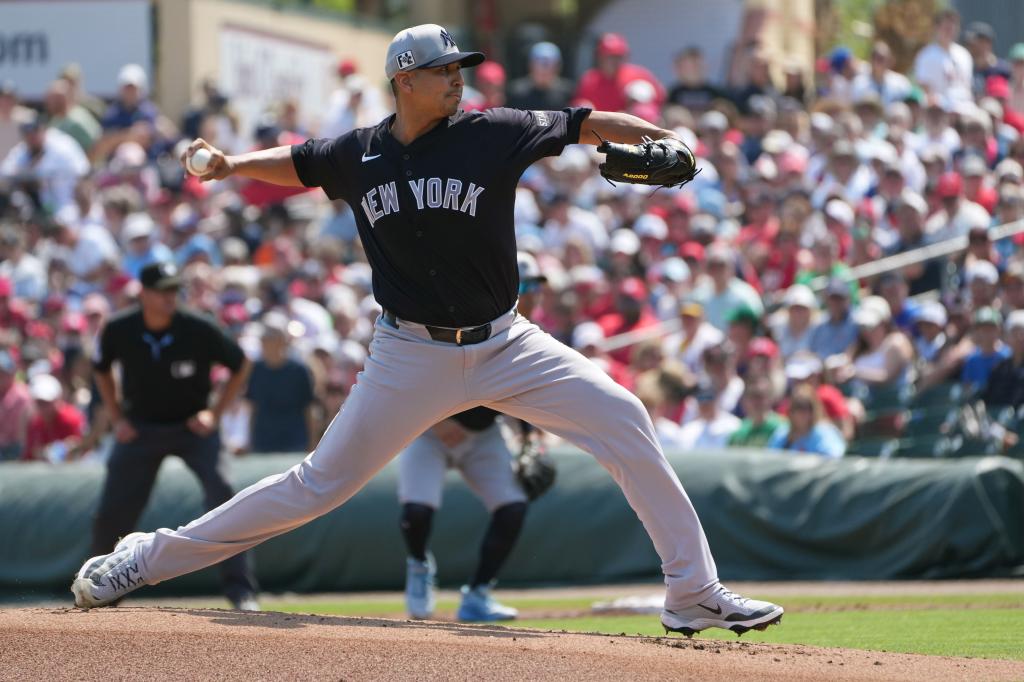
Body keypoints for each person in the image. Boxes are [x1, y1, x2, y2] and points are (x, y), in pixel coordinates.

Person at [72, 23, 783, 637]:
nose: (457, 81)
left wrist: (666, 137)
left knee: (624, 415)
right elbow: (299, 162)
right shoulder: (360, 152)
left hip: (507, 343)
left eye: (458, 70)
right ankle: (146, 560)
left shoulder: (492, 133)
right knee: (317, 484)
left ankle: (691, 593)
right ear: (404, 81)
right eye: (444, 71)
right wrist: (232, 166)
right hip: (409, 351)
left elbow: (589, 122)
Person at [85, 261, 260, 610]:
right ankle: (97, 588)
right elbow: (101, 369)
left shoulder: (198, 327)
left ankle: (241, 591)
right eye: (162, 291)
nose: (169, 297)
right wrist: (116, 417)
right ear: (144, 294)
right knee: (112, 510)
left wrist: (215, 412)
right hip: (141, 427)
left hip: (191, 426)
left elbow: (241, 364)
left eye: (173, 290)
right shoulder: (120, 328)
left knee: (223, 491)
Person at [244, 312, 316, 454]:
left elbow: (309, 409)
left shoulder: (299, 370)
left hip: (294, 443)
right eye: (263, 338)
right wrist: (249, 441)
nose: (264, 342)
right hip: (263, 444)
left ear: (282, 341)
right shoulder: (255, 370)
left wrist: (312, 444)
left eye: (269, 338)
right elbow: (252, 408)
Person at [572, 33, 665, 113]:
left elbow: (660, 101)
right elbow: (578, 105)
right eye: (610, 56)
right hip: (598, 130)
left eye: (619, 56)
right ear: (600, 58)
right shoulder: (589, 80)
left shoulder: (639, 76)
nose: (615, 61)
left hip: (631, 130)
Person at [913, 9, 973, 108]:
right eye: (946, 27)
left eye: (953, 27)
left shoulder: (964, 55)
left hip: (964, 107)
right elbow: (924, 89)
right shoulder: (926, 55)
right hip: (938, 108)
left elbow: (967, 87)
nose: (950, 31)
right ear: (937, 28)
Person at [766, 385, 846, 458]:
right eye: (798, 406)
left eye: (807, 407)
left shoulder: (825, 432)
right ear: (791, 410)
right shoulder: (783, 433)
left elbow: (832, 459)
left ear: (814, 409)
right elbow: (771, 458)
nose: (802, 412)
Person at [22, 373, 85, 462]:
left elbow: (81, 449)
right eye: (39, 403)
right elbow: (29, 456)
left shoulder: (71, 419)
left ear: (57, 399)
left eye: (46, 402)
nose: (43, 407)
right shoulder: (35, 423)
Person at [506, 42, 574, 112]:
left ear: (558, 67)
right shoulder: (516, 92)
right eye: (539, 63)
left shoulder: (568, 92)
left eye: (549, 64)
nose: (543, 69)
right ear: (530, 65)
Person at [728, 380, 785, 448]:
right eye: (752, 397)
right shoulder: (740, 430)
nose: (756, 402)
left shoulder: (781, 427)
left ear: (770, 399)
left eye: (760, 396)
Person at [0, 348, 32, 461]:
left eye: (2, 373)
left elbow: (24, 433)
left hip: (15, 449)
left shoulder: (22, 395)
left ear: (11, 373)